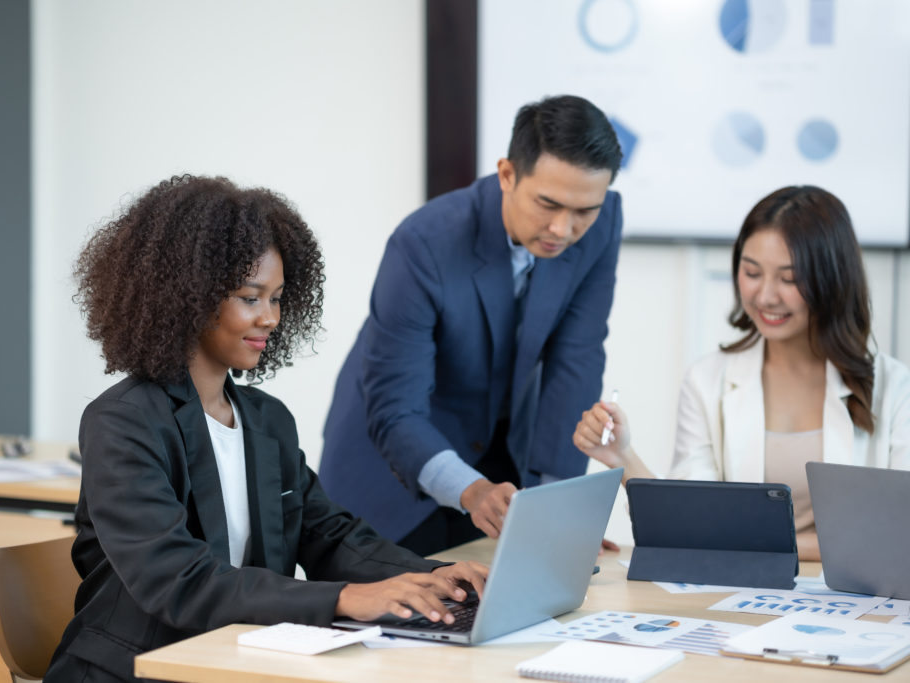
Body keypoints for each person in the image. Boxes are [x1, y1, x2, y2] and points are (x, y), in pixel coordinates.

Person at [44, 175, 487, 683]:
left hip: (236, 659)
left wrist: (430, 576)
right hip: (132, 670)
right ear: (187, 298)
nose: (271, 318)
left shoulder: (265, 418)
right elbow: (178, 581)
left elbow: (326, 534)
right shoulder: (123, 421)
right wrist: (346, 598)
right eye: (250, 298)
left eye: (277, 299)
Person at [319, 95, 624, 556]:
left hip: (499, 457)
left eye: (584, 210)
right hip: (394, 468)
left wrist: (555, 507)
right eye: (548, 204)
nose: (564, 228)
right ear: (507, 175)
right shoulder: (423, 242)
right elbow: (395, 408)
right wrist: (472, 490)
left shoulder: (601, 223)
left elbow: (576, 362)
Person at [573, 185, 910, 561]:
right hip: (743, 594)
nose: (766, 296)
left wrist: (752, 543)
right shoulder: (707, 380)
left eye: (789, 278)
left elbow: (899, 534)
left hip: (854, 598)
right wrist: (622, 457)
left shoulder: (895, 389)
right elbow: (687, 525)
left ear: (832, 278)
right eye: (752, 272)